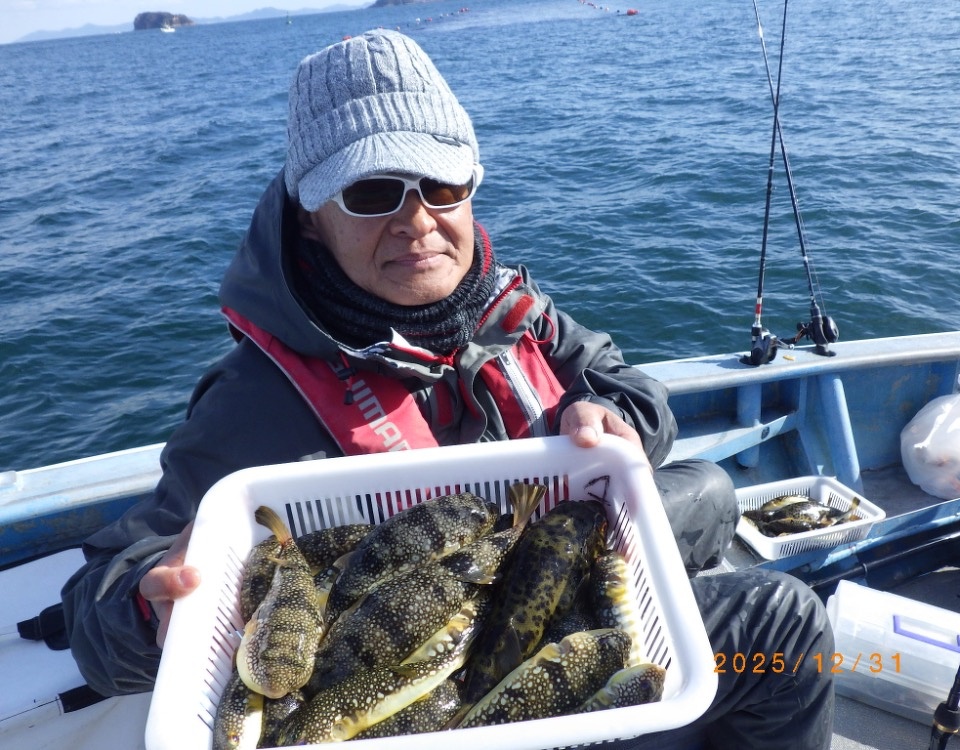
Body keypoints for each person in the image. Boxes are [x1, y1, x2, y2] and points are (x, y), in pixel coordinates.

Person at [61, 29, 833, 748]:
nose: (418, 220)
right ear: (310, 219)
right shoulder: (256, 401)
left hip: (524, 593)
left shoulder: (513, 310)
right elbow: (103, 600)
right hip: (434, 710)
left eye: (442, 184)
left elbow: (632, 392)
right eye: (372, 193)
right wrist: (147, 609)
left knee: (709, 492)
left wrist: (611, 415)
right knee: (786, 622)